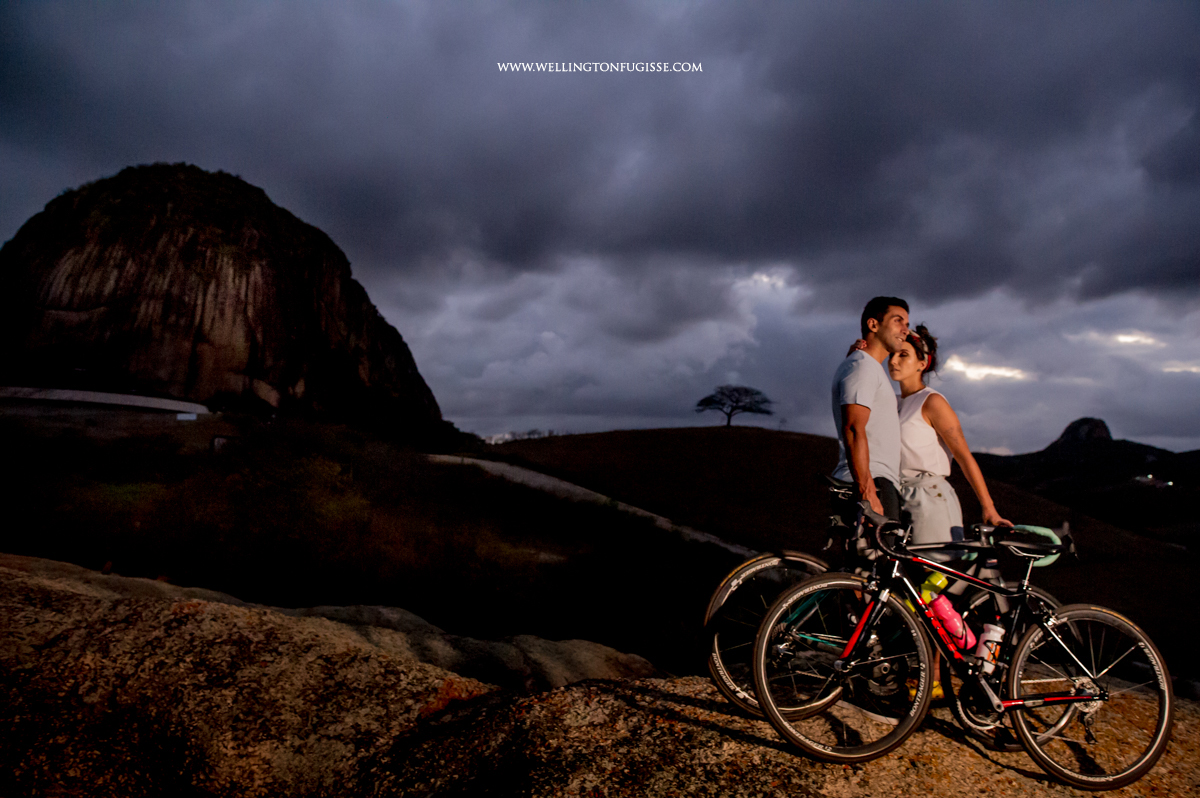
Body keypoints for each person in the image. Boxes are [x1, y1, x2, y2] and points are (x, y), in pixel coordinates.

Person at [888, 325, 1011, 547]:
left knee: (934, 575)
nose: (893, 360)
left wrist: (988, 507)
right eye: (892, 354)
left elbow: (963, 455)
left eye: (903, 355)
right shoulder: (892, 402)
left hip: (929, 496)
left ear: (922, 363)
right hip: (897, 496)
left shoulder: (932, 402)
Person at [831, 297, 910, 521]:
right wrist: (867, 493)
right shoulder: (862, 366)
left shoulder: (867, 367)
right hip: (872, 482)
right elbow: (854, 428)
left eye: (907, 324)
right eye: (898, 321)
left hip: (878, 482)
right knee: (876, 557)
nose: (905, 330)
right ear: (873, 325)